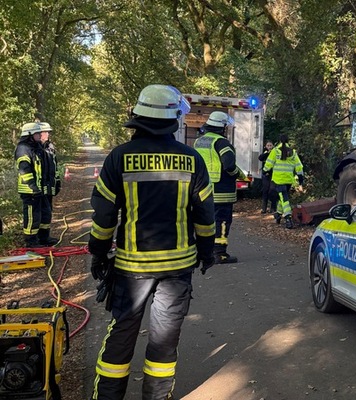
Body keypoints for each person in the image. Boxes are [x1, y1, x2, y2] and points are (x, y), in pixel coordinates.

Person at [88, 84, 216, 400]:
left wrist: (98, 252)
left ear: (138, 116)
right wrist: (207, 249)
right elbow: (204, 213)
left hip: (132, 269)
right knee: (164, 340)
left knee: (122, 333)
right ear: (174, 119)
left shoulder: (118, 157)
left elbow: (104, 216)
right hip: (177, 268)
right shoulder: (192, 159)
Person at [194, 110, 248, 264]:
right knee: (222, 221)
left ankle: (205, 251)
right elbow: (229, 165)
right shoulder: (222, 142)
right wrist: (239, 174)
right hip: (221, 191)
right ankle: (220, 253)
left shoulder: (200, 141)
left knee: (205, 221)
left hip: (203, 189)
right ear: (223, 127)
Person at [15, 121, 53, 247]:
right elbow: (24, 169)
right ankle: (31, 242)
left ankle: (43, 238)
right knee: (32, 216)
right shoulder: (23, 148)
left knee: (45, 212)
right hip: (29, 190)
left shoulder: (36, 147)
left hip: (38, 189)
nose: (39, 135)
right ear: (29, 134)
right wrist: (32, 186)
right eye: (37, 133)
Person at [263, 134, 304, 229]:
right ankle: (278, 214)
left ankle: (288, 218)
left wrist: (265, 171)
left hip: (278, 180)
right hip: (289, 180)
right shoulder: (293, 152)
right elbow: (299, 166)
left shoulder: (275, 151)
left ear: (280, 141)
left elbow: (269, 163)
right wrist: (300, 178)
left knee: (284, 199)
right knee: (283, 197)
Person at [38, 122, 60, 245]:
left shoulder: (50, 147)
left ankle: (45, 237)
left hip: (50, 185)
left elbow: (54, 165)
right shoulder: (36, 148)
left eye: (48, 132)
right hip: (40, 187)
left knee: (48, 211)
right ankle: (40, 239)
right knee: (42, 212)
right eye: (45, 132)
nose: (48, 134)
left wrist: (57, 181)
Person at [258, 140, 278, 214]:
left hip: (273, 174)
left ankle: (273, 208)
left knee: (272, 191)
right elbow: (260, 158)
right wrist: (267, 153)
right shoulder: (265, 153)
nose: (269, 147)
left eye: (270, 145)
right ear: (265, 146)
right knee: (265, 191)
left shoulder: (275, 153)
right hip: (266, 174)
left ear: (273, 146)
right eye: (268, 145)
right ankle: (264, 208)